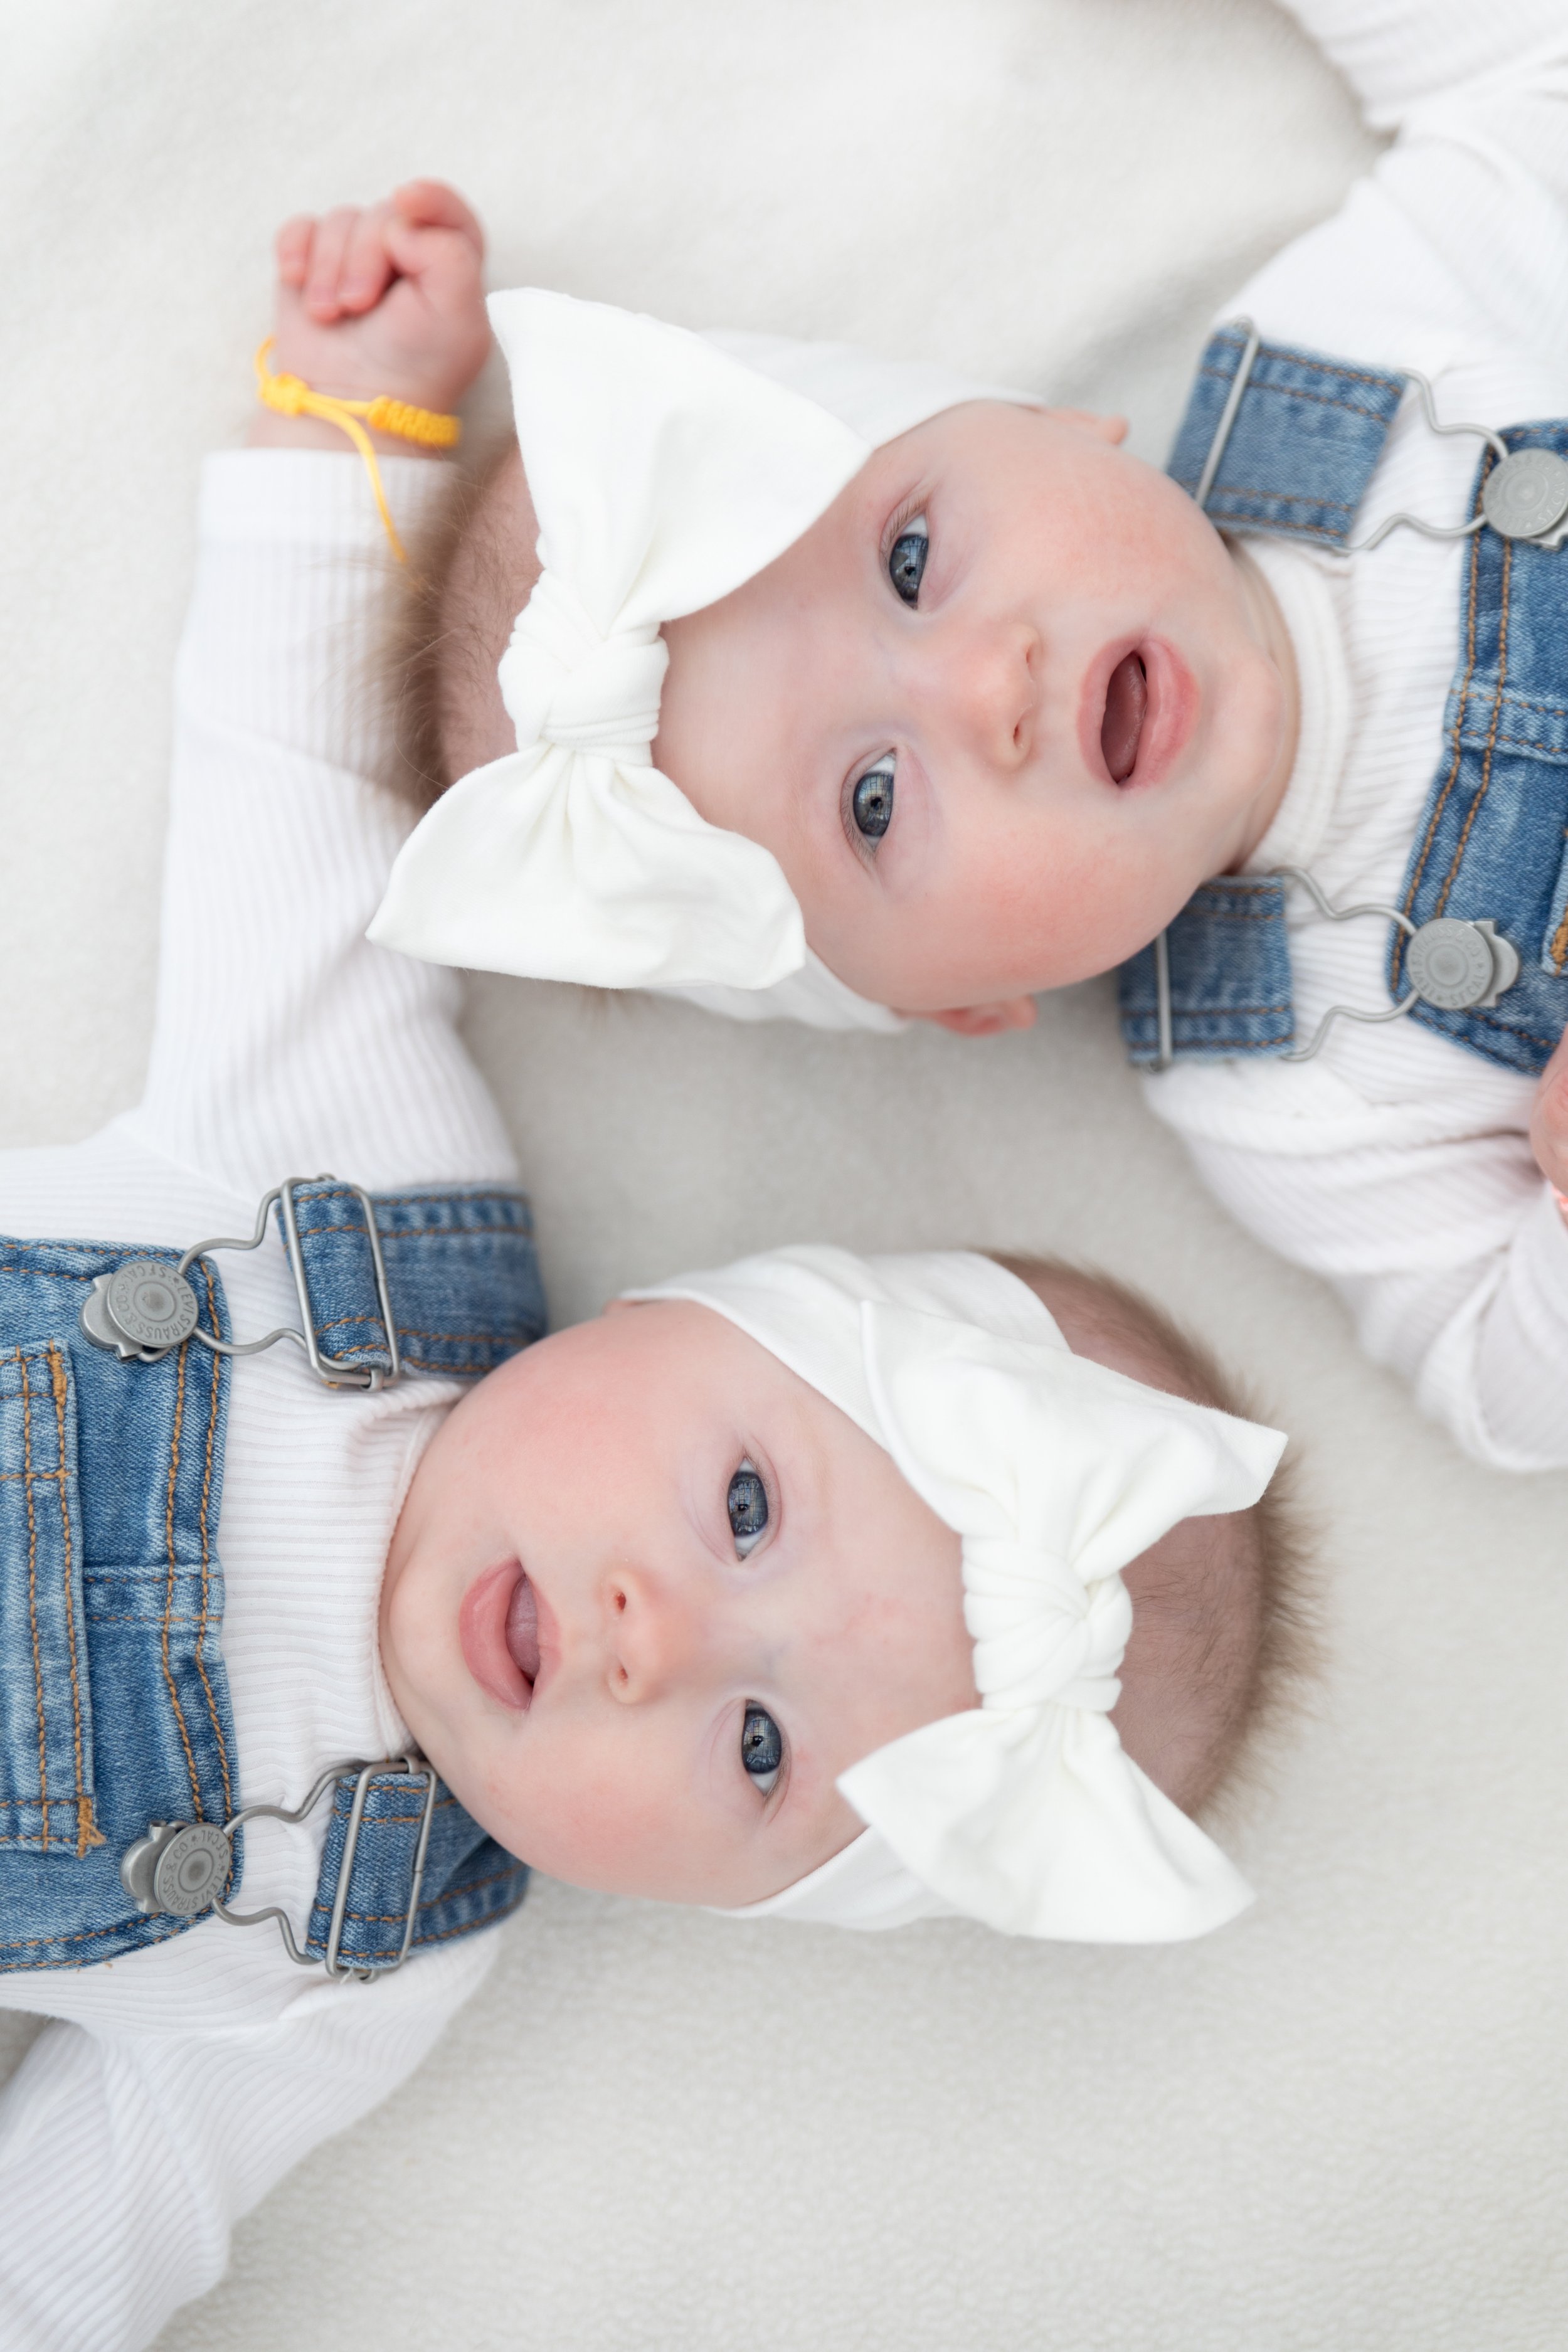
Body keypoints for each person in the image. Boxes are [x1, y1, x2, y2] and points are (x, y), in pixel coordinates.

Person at [0, 186, 1306, 2351]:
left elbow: (82, 2233)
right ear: (680, 1311)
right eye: (743, 1505)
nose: (652, 1631)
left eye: (768, 1749)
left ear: (732, 1901)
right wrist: (355, 437)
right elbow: (285, 793)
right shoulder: (343, 1190)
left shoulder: (358, 1966)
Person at [376, 0, 1568, 1471]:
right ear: (967, 1000)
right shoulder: (1291, 1081)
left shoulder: (1366, 355)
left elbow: (1526, 73)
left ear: (1051, 424)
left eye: (909, 560)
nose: (979, 690)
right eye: (870, 802)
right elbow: (1497, 1386)